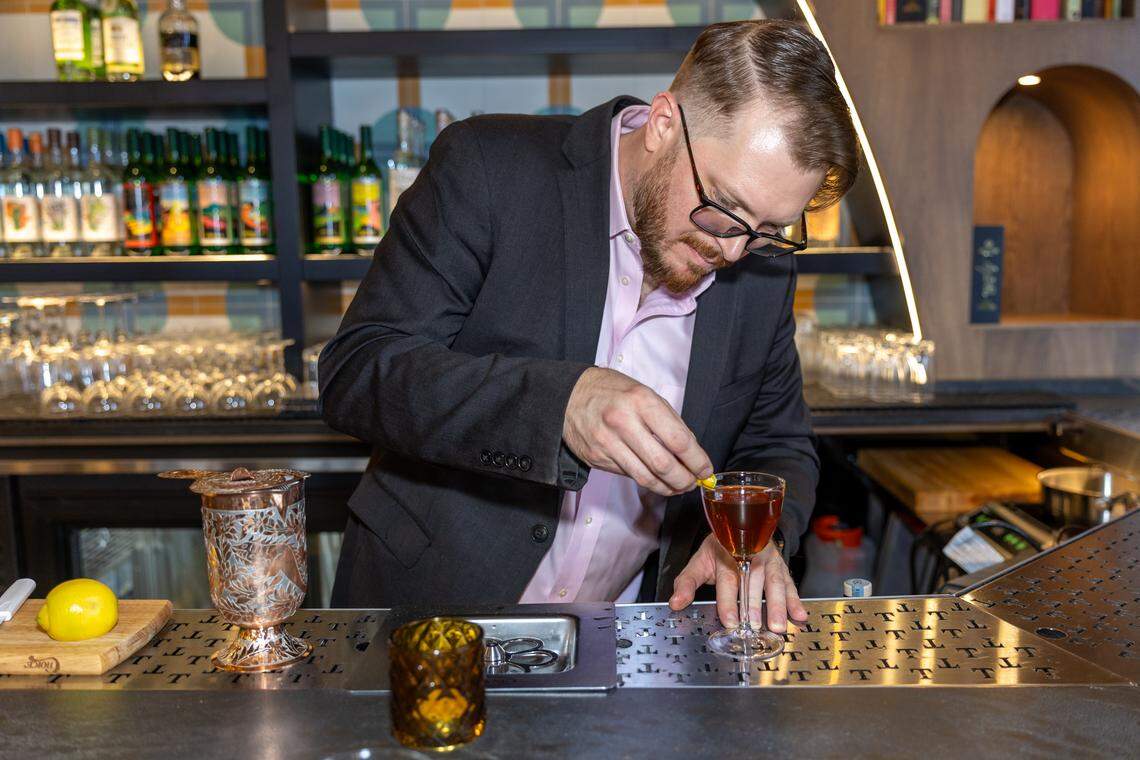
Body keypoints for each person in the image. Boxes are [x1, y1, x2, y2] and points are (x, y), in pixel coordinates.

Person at [320, 19, 859, 633]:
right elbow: (358, 371)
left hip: (622, 639)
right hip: (430, 615)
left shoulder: (759, 269)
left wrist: (753, 537)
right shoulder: (490, 169)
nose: (734, 253)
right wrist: (561, 406)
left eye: (767, 231)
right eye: (725, 212)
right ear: (663, 123)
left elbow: (777, 445)